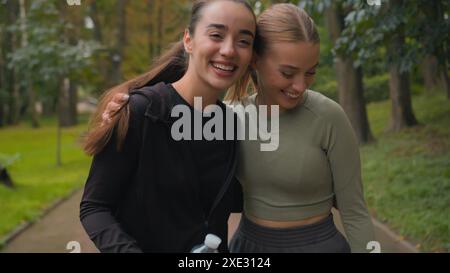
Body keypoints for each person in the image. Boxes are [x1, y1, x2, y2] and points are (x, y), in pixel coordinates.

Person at [103, 3, 375, 253]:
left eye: (311, 72)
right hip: (248, 249)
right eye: (288, 73)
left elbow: (354, 211)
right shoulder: (229, 118)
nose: (301, 86)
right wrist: (125, 111)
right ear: (255, 60)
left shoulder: (328, 117)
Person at [80, 0, 257, 253]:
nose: (229, 50)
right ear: (189, 40)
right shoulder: (141, 112)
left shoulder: (229, 122)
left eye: (243, 41)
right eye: (216, 35)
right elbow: (95, 207)